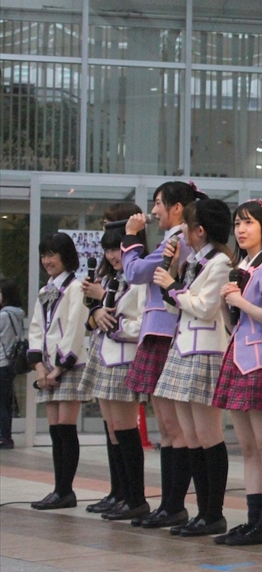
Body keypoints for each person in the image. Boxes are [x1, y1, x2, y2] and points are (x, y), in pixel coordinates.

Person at [122, 181, 203, 529]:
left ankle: (174, 505)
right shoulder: (174, 239)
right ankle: (169, 505)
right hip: (159, 331)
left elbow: (134, 272)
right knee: (168, 429)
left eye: (158, 203)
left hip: (166, 332)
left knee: (174, 428)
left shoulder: (178, 240)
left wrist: (130, 237)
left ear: (177, 208)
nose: (154, 211)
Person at [214, 199, 262, 546]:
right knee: (247, 448)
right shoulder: (241, 267)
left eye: (248, 223)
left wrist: (241, 302)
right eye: (237, 224)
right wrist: (226, 303)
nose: (241, 230)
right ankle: (252, 521)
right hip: (238, 357)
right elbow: (235, 322)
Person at [151, 198, 234, 537]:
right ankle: (200, 512)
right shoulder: (192, 261)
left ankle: (213, 513)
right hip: (183, 348)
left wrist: (173, 288)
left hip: (206, 351)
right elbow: (178, 307)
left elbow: (205, 307)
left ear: (200, 230)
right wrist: (172, 276)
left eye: (186, 224)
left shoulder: (220, 263)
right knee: (191, 437)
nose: (182, 230)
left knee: (208, 436)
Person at [78, 224, 152, 522]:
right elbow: (96, 316)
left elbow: (142, 322)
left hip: (125, 357)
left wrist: (110, 316)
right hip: (104, 355)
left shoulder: (140, 279)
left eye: (117, 249)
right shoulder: (111, 278)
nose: (112, 255)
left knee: (125, 429)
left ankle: (135, 499)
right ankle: (119, 493)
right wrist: (96, 308)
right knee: (112, 429)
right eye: (108, 250)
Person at [27, 233, 88, 510]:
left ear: (66, 256)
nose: (47, 260)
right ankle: (58, 490)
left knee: (66, 428)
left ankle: (65, 491)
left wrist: (61, 367)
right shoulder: (45, 290)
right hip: (48, 368)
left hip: (68, 366)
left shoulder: (76, 287)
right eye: (44, 255)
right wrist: (39, 365)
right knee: (54, 431)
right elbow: (36, 328)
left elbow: (76, 327)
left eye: (52, 254)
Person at [0, 279, 25, 450]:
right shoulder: (18, 314)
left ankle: (4, 437)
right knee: (6, 402)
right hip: (11, 362)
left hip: (2, 361)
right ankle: (6, 436)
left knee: (1, 403)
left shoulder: (3, 315)